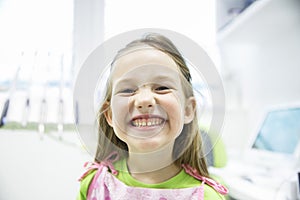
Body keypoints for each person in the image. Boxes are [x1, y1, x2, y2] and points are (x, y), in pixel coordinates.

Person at [77, 33, 228, 200]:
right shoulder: (94, 185)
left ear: (188, 110)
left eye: (162, 87)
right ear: (110, 115)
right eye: (128, 90)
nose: (144, 100)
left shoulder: (207, 197)